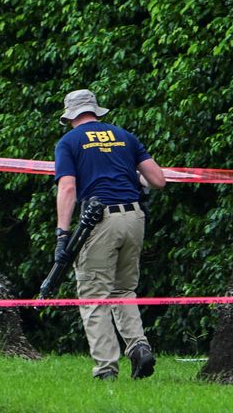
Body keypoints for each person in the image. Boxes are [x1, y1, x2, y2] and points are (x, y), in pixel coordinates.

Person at [53, 89, 165, 381]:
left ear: (71, 117)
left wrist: (62, 234)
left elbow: (67, 187)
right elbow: (157, 180)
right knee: (124, 290)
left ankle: (106, 369)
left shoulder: (69, 142)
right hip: (134, 218)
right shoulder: (125, 136)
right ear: (95, 111)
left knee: (94, 296)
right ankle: (139, 348)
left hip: (99, 220)